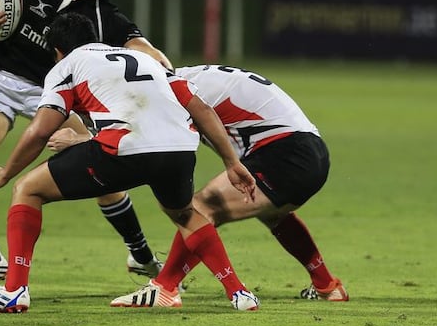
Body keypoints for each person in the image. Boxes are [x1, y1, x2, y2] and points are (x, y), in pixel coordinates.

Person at [0, 12, 260, 313]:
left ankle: (14, 291)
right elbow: (201, 107)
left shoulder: (66, 66)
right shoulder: (143, 59)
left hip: (126, 149)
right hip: (180, 148)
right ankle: (239, 293)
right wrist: (231, 162)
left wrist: (5, 173)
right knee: (184, 214)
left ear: (56, 50)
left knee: (27, 188)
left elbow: (40, 129)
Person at [0, 0, 170, 297]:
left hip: (55, 96)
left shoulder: (105, 17)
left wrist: (167, 70)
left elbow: (141, 46)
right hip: (0, 81)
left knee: (104, 170)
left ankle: (138, 252)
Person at [88, 64, 344, 306]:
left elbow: (158, 149)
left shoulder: (169, 90)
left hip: (285, 154)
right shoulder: (191, 78)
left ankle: (165, 287)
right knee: (271, 213)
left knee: (200, 207)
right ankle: (327, 285)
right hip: (310, 152)